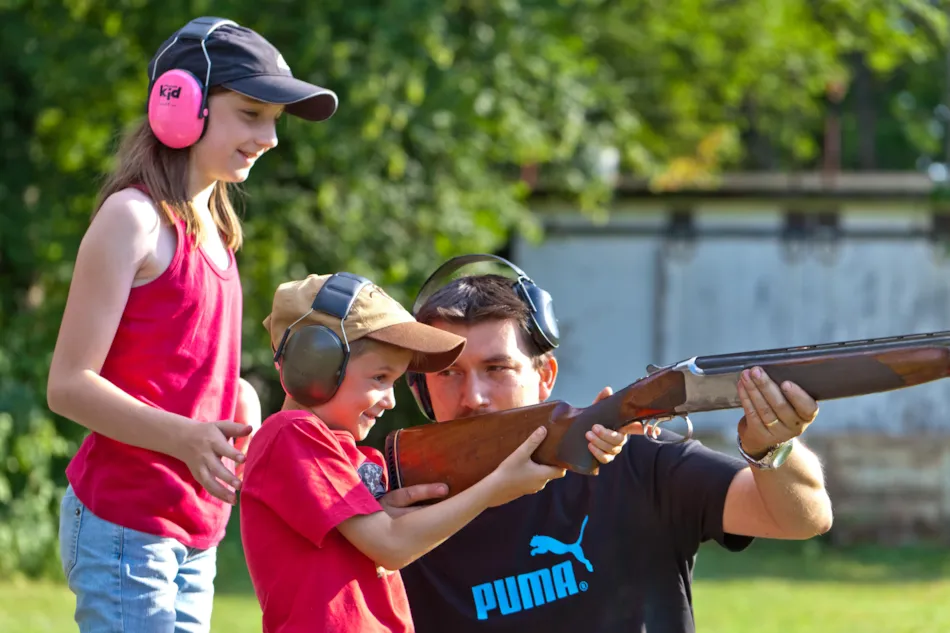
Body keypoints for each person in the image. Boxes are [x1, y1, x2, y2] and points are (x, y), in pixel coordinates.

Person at [46, 16, 338, 633]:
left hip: (195, 530)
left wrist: (242, 396)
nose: (270, 138)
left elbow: (180, 369)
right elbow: (69, 385)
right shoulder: (133, 220)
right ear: (181, 103)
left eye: (274, 121)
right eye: (251, 113)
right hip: (125, 526)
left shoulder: (219, 233)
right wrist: (183, 436)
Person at [383, 254, 834, 633]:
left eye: (497, 368)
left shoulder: (636, 462)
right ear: (421, 390)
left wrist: (773, 447)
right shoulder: (392, 500)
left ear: (545, 378)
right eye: (448, 374)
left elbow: (802, 517)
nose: (473, 397)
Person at [239, 272, 569, 633]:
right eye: (380, 378)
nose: (391, 400)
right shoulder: (292, 435)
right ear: (314, 362)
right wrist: (496, 487)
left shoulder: (356, 459)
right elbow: (392, 546)